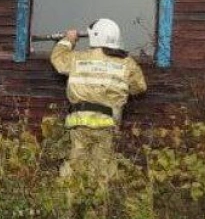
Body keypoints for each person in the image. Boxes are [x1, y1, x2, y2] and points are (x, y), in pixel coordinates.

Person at [49, 18, 147, 184]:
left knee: (75, 167)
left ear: (94, 37)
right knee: (102, 170)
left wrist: (68, 40)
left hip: (79, 121)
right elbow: (140, 87)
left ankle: (70, 203)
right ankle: (99, 204)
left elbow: (58, 60)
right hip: (108, 123)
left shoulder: (78, 58)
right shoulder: (127, 63)